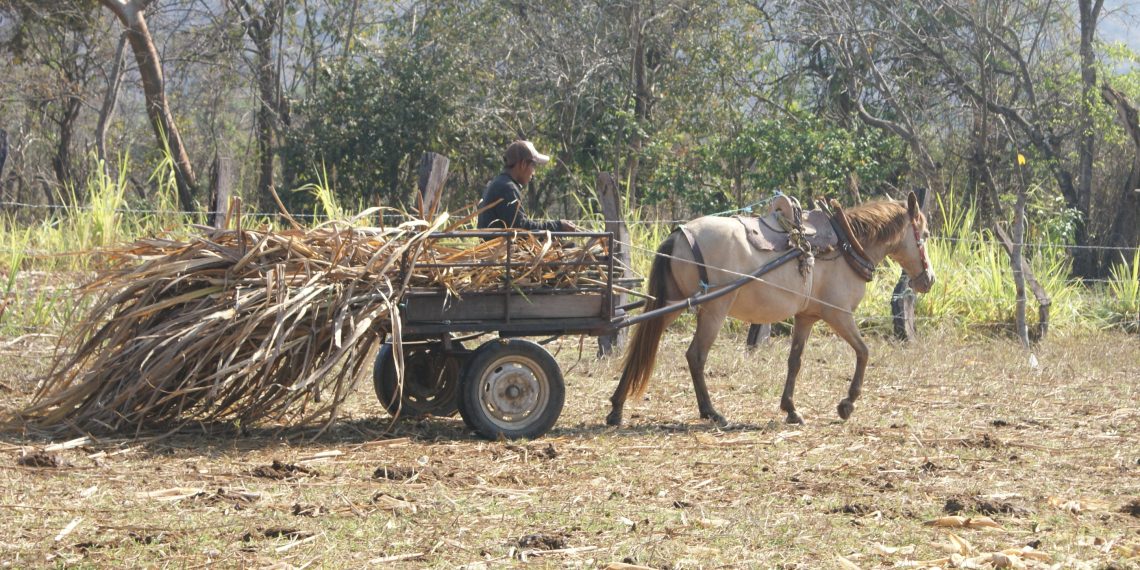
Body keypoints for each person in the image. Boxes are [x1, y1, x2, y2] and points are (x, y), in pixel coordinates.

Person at [477, 140, 580, 232]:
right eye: (533, 166)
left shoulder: (498, 183)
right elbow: (522, 228)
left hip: (496, 248)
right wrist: (558, 226)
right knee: (571, 247)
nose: (534, 172)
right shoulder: (507, 188)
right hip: (501, 250)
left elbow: (519, 224)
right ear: (523, 164)